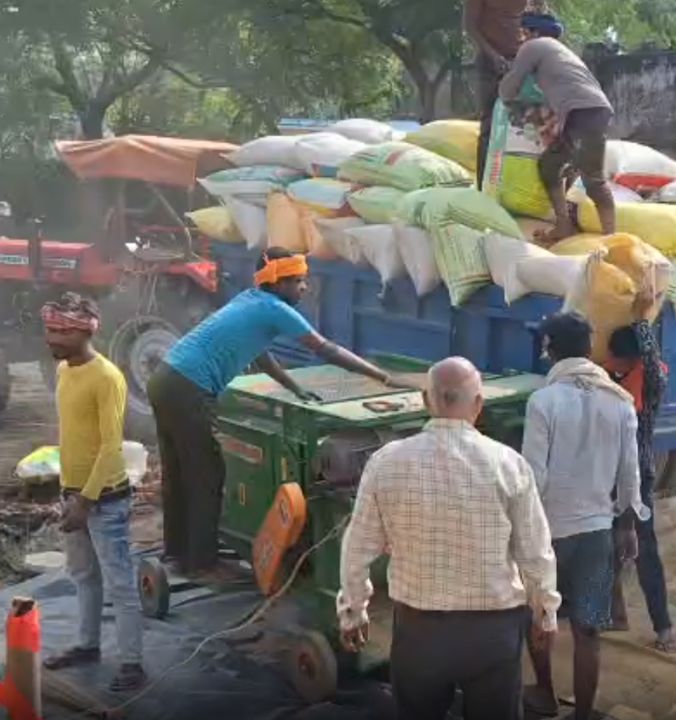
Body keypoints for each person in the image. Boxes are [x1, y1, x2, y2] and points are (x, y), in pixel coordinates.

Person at [149, 248, 414, 577]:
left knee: (178, 471)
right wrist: (383, 377)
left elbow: (259, 353)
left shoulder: (251, 300)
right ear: (277, 282)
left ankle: (176, 553)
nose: (304, 287)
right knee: (207, 474)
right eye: (298, 281)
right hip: (189, 388)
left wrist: (294, 387)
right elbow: (326, 349)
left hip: (166, 379)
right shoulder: (274, 308)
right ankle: (203, 564)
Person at [337, 358, 560, 720]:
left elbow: (357, 546)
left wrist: (353, 610)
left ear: (426, 400)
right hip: (493, 633)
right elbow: (536, 552)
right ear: (478, 404)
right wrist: (544, 612)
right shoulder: (509, 464)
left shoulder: (386, 462)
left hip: (418, 632)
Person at [521, 312, 648, 720]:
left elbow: (532, 476)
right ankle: (585, 712)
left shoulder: (543, 401)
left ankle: (545, 694)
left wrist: (520, 533)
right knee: (588, 629)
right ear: (589, 349)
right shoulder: (619, 400)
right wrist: (627, 526)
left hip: (549, 532)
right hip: (596, 531)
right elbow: (629, 474)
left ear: (550, 349)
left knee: (540, 616)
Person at [37, 294, 146, 692]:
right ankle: (87, 645)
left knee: (120, 583)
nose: (51, 339)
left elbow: (110, 446)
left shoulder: (107, 378)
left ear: (85, 332)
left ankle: (132, 664)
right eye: (50, 330)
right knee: (83, 575)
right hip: (74, 494)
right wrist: (70, 493)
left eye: (61, 332)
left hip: (105, 500)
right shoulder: (64, 370)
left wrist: (86, 500)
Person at [500, 12, 616, 242]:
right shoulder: (558, 51)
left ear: (533, 32)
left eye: (523, 33)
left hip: (585, 113)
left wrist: (503, 83)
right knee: (549, 166)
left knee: (593, 180)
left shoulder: (533, 46)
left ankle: (613, 239)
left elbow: (508, 90)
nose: (520, 39)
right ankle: (563, 225)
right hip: (586, 112)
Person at [604, 291, 676, 653]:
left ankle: (664, 628)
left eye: (617, 357)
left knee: (644, 550)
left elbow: (650, 357)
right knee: (607, 546)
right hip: (607, 474)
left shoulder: (651, 380)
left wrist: (641, 319)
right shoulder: (608, 379)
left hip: (638, 476)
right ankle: (615, 613)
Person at [464, 0, 527, 183]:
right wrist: (493, 55)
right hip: (489, 63)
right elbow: (470, 26)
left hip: (521, 61)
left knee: (524, 126)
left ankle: (516, 182)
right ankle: (484, 184)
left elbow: (535, 17)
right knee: (489, 125)